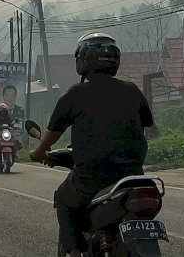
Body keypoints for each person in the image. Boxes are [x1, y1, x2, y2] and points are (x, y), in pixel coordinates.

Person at [29, 32, 154, 257]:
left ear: (82, 60)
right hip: (132, 179)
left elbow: (53, 134)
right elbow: (144, 128)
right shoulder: (131, 90)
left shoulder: (76, 93)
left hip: (92, 179)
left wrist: (38, 152)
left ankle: (75, 252)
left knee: (63, 199)